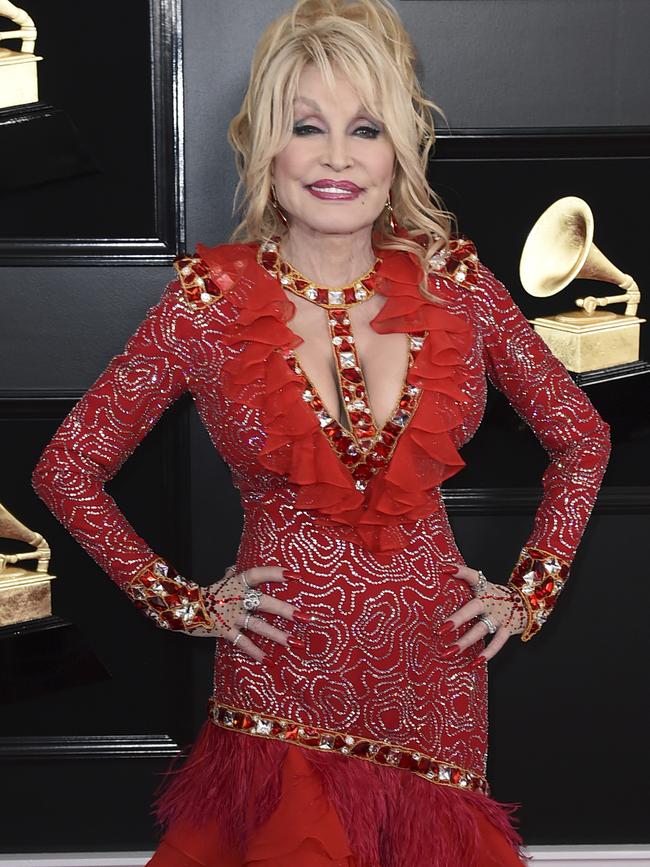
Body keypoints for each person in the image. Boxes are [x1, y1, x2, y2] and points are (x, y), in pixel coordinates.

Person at [31, 0, 611, 865]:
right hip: (280, 686)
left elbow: (582, 436)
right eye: (308, 126)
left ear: (397, 153)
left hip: (435, 686)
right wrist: (183, 602)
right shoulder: (210, 304)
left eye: (366, 128)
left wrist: (530, 590)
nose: (338, 157)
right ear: (268, 147)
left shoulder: (460, 287)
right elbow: (67, 467)